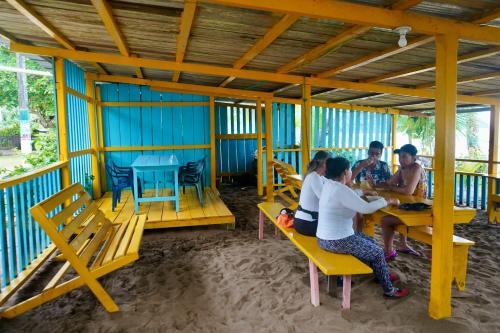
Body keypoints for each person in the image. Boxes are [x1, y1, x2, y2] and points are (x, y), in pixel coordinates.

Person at [316, 157, 409, 298]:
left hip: (324, 238)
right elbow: (365, 208)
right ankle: (389, 291)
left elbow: (348, 197)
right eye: (349, 170)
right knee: (378, 252)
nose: (350, 172)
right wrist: (387, 201)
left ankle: (380, 273)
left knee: (370, 241)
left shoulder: (329, 185)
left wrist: (363, 193)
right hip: (337, 241)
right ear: (344, 172)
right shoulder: (340, 189)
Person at [379, 144, 428, 260]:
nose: (401, 160)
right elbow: (390, 182)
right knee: (390, 211)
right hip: (408, 206)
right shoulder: (403, 169)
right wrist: (379, 185)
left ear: (414, 157)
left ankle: (388, 252)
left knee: (385, 220)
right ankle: (402, 244)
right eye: (400, 157)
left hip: (419, 211)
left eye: (404, 157)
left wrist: (392, 188)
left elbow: (408, 191)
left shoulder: (417, 168)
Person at [351, 141, 392, 232]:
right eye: (371, 153)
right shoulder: (359, 163)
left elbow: (389, 183)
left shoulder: (383, 166)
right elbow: (349, 179)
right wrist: (362, 166)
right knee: (358, 214)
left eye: (377, 154)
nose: (373, 156)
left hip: (377, 196)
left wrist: (376, 185)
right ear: (368, 152)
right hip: (361, 196)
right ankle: (358, 234)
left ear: (381, 154)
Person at [294, 151, 331, 236]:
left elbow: (332, 184)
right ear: (324, 164)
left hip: (303, 221)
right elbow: (325, 200)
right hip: (307, 224)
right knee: (339, 228)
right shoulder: (315, 177)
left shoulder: (316, 176)